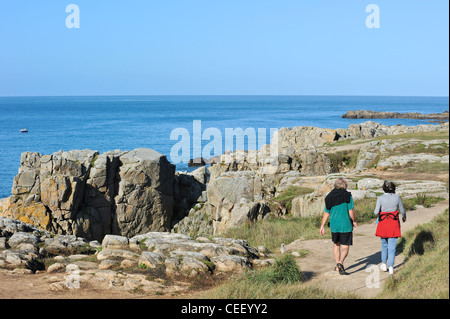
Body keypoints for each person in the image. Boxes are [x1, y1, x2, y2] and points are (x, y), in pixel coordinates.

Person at [320, 178, 357, 275]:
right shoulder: (347, 196)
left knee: (336, 245)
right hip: (345, 225)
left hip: (334, 226)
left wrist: (322, 226)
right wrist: (354, 221)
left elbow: (326, 212)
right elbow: (351, 212)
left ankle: (337, 265)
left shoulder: (329, 197)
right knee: (345, 247)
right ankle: (340, 263)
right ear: (344, 185)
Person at [374, 181, 406, 275]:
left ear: (384, 188)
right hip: (393, 223)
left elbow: (376, 212)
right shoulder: (397, 198)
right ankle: (391, 267)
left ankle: (384, 264)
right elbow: (402, 210)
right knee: (392, 247)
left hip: (383, 223)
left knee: (384, 245)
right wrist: (404, 217)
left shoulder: (380, 198)